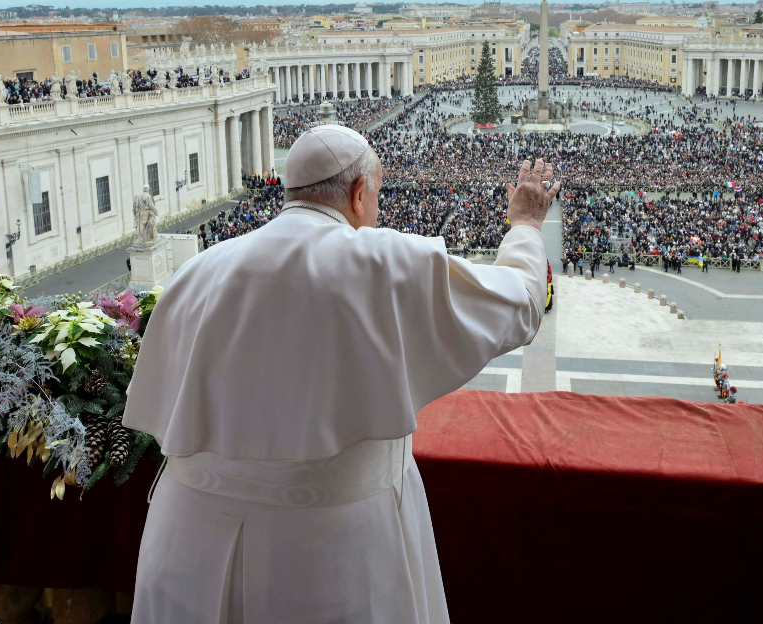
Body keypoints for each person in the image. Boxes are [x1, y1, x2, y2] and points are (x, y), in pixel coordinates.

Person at [123, 125, 558, 624]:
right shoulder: (382, 260)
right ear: (357, 194)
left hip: (186, 540)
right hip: (328, 548)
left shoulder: (197, 271)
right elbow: (521, 304)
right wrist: (525, 224)